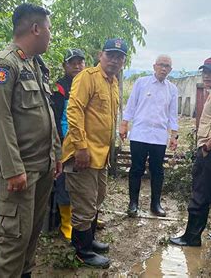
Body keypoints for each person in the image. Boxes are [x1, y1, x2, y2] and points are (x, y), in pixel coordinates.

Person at [0, 3, 62, 278]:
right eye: (49, 29)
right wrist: (14, 169)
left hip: (41, 166)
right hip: (20, 170)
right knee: (14, 241)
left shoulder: (36, 65)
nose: (51, 35)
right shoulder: (3, 65)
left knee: (30, 238)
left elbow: (45, 112)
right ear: (36, 29)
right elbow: (0, 121)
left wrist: (56, 154)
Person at [61, 38, 127, 268]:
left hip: (102, 155)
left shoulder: (113, 83)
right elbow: (74, 110)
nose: (114, 60)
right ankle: (82, 251)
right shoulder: (87, 77)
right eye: (110, 55)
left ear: (123, 61)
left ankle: (90, 240)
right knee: (84, 203)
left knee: (98, 197)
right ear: (101, 55)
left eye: (119, 57)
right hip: (84, 154)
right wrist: (80, 147)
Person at [170, 57, 211, 247]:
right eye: (204, 72)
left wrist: (207, 146)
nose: (206, 75)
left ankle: (191, 237)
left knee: (200, 192)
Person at [119, 55, 179, 218]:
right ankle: (133, 204)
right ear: (154, 66)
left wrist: (174, 135)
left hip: (159, 137)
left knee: (157, 171)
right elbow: (131, 105)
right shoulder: (141, 83)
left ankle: (155, 204)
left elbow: (173, 114)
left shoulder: (172, 89)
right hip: (139, 134)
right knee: (136, 169)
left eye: (167, 66)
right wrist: (124, 123)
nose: (164, 68)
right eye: (161, 65)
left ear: (171, 70)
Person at [51, 48, 85, 240]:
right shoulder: (60, 88)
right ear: (65, 65)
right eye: (72, 63)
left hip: (86, 142)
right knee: (64, 182)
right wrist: (59, 143)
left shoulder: (89, 83)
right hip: (65, 142)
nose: (77, 66)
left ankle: (85, 218)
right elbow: (55, 119)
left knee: (85, 183)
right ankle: (66, 223)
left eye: (80, 62)